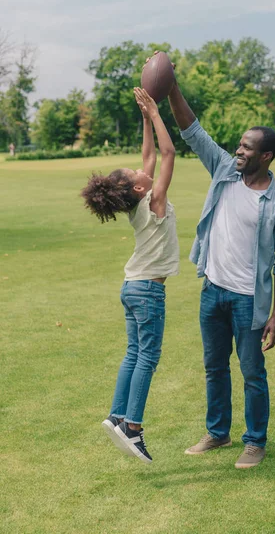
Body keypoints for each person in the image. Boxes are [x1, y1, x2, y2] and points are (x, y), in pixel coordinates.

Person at [153, 53, 275, 469]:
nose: (238, 149)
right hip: (212, 289)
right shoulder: (224, 170)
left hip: (248, 300)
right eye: (239, 143)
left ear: (265, 156)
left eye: (247, 147)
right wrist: (172, 87)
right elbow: (192, 131)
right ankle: (218, 433)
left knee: (252, 373)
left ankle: (255, 441)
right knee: (214, 366)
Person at [81, 88, 179, 464]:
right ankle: (132, 428)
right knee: (147, 356)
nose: (143, 168)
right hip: (148, 291)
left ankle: (116, 415)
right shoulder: (154, 200)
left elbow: (150, 154)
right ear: (140, 187)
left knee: (134, 352)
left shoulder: (141, 199)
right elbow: (167, 154)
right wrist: (155, 113)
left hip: (131, 286)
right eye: (139, 173)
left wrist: (143, 118)